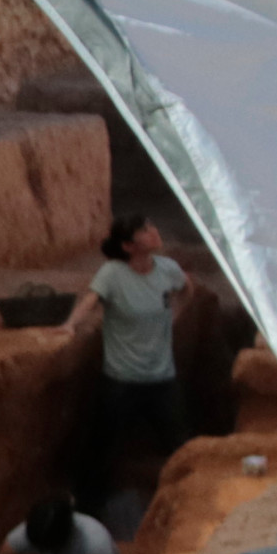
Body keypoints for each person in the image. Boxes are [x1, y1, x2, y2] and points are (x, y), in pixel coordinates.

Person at [65, 214, 187, 499]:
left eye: (151, 225)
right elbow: (91, 300)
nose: (154, 231)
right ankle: (87, 506)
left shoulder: (168, 269)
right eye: (144, 230)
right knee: (102, 450)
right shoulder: (113, 274)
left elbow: (187, 290)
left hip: (162, 377)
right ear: (128, 246)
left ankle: (187, 502)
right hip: (121, 381)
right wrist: (70, 324)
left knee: (180, 447)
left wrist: (176, 317)